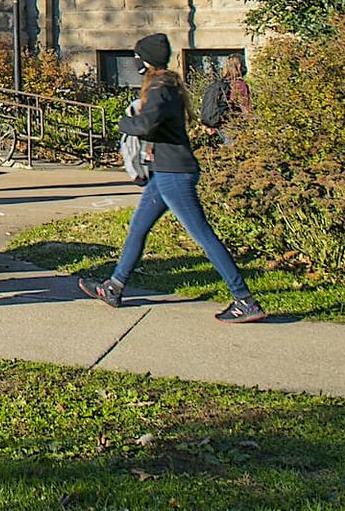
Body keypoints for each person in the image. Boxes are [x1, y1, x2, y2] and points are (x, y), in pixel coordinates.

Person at [77, 33, 264, 323]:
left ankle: (244, 300)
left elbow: (146, 123)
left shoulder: (161, 88)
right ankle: (114, 287)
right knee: (138, 228)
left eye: (138, 57)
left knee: (203, 235)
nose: (135, 62)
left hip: (174, 174)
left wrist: (123, 121)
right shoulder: (167, 85)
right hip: (164, 173)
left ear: (145, 61)